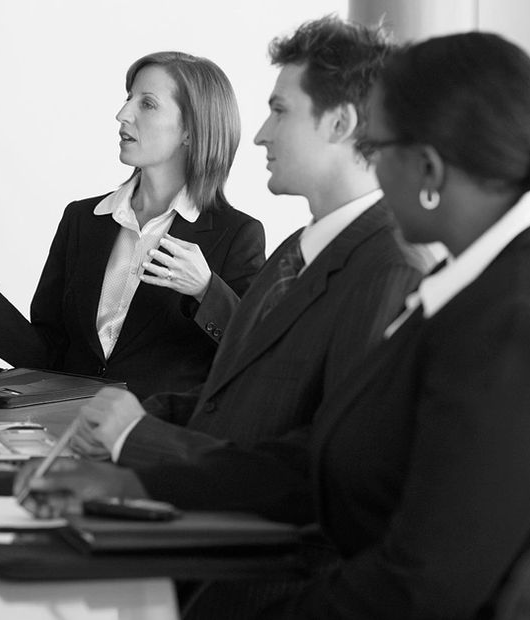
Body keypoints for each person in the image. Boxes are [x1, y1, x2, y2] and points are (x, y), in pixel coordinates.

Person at [21, 31, 530, 619]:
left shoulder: (518, 322)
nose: (371, 169)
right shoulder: (496, 285)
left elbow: (419, 587)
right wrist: (136, 467)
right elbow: (329, 454)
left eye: (383, 150)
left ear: (427, 171)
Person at [68, 17, 424, 468]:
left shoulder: (391, 268)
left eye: (280, 110)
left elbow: (326, 465)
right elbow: (237, 396)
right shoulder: (298, 250)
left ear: (339, 123)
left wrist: (137, 445)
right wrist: (130, 423)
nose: (259, 134)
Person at [0, 52, 264, 399]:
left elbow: (257, 355)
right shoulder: (82, 220)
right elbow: (48, 357)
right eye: (128, 98)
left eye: (148, 104)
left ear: (190, 130)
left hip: (155, 442)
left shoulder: (236, 235)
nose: (123, 114)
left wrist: (205, 290)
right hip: (66, 428)